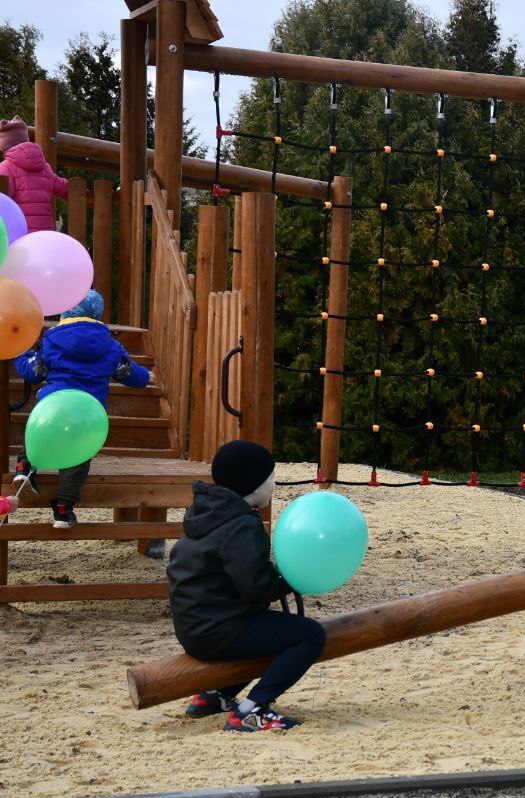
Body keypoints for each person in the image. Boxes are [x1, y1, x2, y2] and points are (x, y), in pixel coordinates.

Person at [167, 440, 326, 732]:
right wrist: (292, 578)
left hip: (193, 625)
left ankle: (215, 696)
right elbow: (256, 587)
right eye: (271, 477)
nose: (274, 484)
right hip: (217, 629)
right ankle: (251, 710)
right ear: (254, 483)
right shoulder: (241, 524)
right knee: (309, 635)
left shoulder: (208, 513)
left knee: (272, 629)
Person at [12, 290, 150, 528]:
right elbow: (129, 374)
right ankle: (63, 509)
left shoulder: (50, 340)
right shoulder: (111, 346)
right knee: (77, 456)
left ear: (65, 314)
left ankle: (24, 467)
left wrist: (20, 352)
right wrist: (146, 376)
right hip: (87, 415)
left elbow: (32, 372)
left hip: (54, 406)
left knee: (38, 430)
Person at [0, 116, 68, 233]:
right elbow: (65, 188)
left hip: (20, 234)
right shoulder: (45, 168)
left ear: (3, 146)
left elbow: (3, 200)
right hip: (43, 234)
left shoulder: (5, 168)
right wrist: (86, 196)